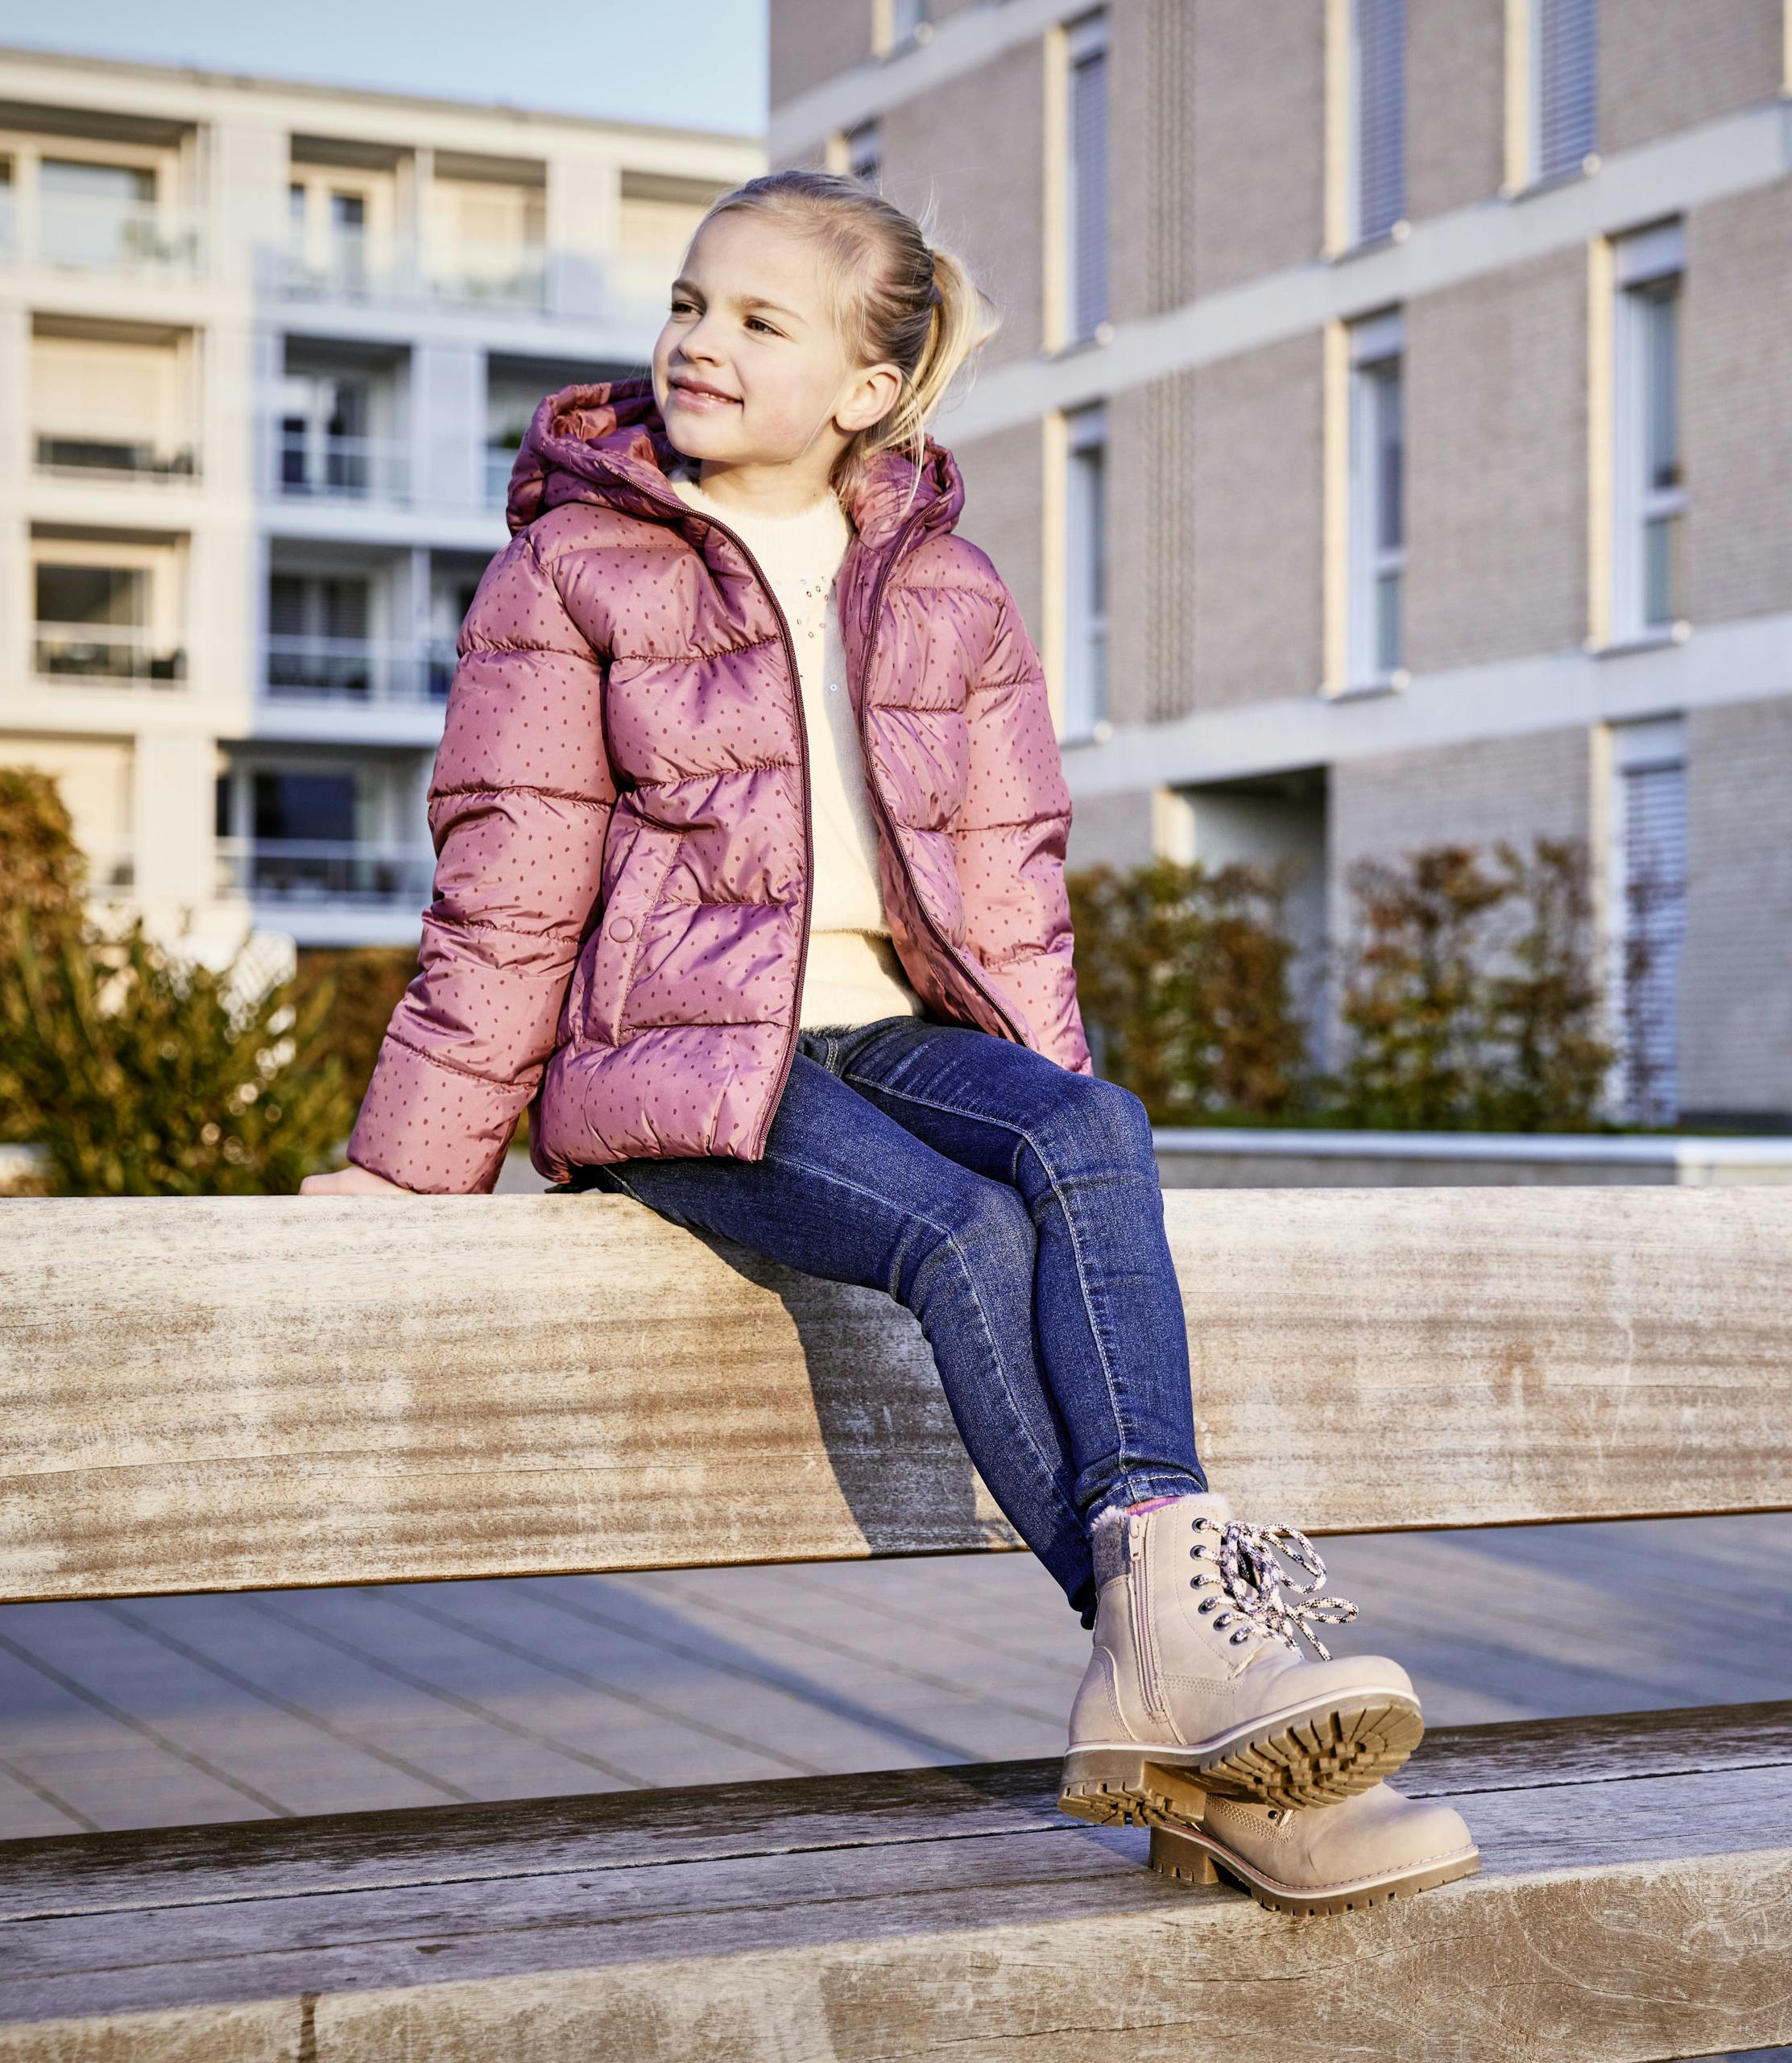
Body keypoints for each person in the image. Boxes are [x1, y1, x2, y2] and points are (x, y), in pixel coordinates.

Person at [300, 171, 1477, 1916]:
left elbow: (1010, 898)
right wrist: (409, 1166)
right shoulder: (572, 565)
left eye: (757, 321)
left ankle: (1186, 1684)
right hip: (684, 1066)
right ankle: (1190, 1690)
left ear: (866, 388)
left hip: (895, 1034)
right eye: (691, 303)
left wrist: (1052, 1090)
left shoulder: (948, 590)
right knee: (959, 1232)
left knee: (1093, 1136)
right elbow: (513, 883)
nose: (698, 343)